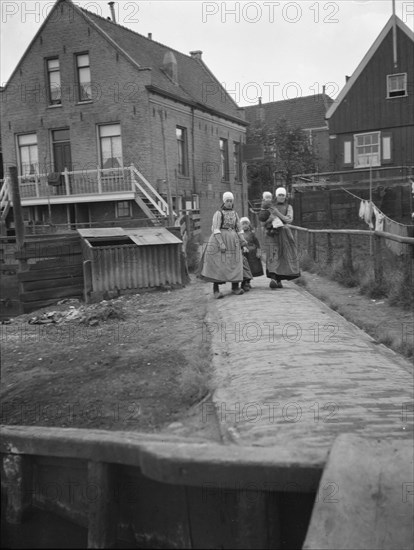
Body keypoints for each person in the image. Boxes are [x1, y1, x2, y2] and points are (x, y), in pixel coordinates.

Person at [200, 192, 251, 298]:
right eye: (227, 201)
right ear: (224, 201)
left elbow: (239, 228)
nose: (229, 203)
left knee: (235, 262)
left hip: (233, 241)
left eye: (230, 201)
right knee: (219, 264)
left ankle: (235, 286)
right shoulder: (219, 213)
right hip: (220, 239)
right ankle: (216, 290)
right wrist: (221, 243)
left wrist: (242, 239)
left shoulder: (235, 213)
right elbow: (216, 228)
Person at [259, 187, 300, 288]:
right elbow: (263, 222)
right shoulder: (269, 206)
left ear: (285, 196)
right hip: (272, 234)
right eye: (279, 195)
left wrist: (277, 213)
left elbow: (288, 219)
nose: (281, 197)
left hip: (284, 234)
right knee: (273, 255)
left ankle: (279, 279)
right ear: (276, 196)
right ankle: (273, 278)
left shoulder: (288, 207)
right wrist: (270, 219)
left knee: (283, 256)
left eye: (283, 195)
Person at [239, 217, 263, 291]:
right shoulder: (240, 234)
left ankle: (248, 281)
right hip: (244, 252)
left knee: (252, 267)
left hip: (252, 253)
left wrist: (258, 251)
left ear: (249, 224)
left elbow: (257, 243)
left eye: (246, 224)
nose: (245, 225)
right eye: (243, 224)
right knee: (245, 267)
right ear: (240, 225)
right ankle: (244, 282)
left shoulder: (252, 234)